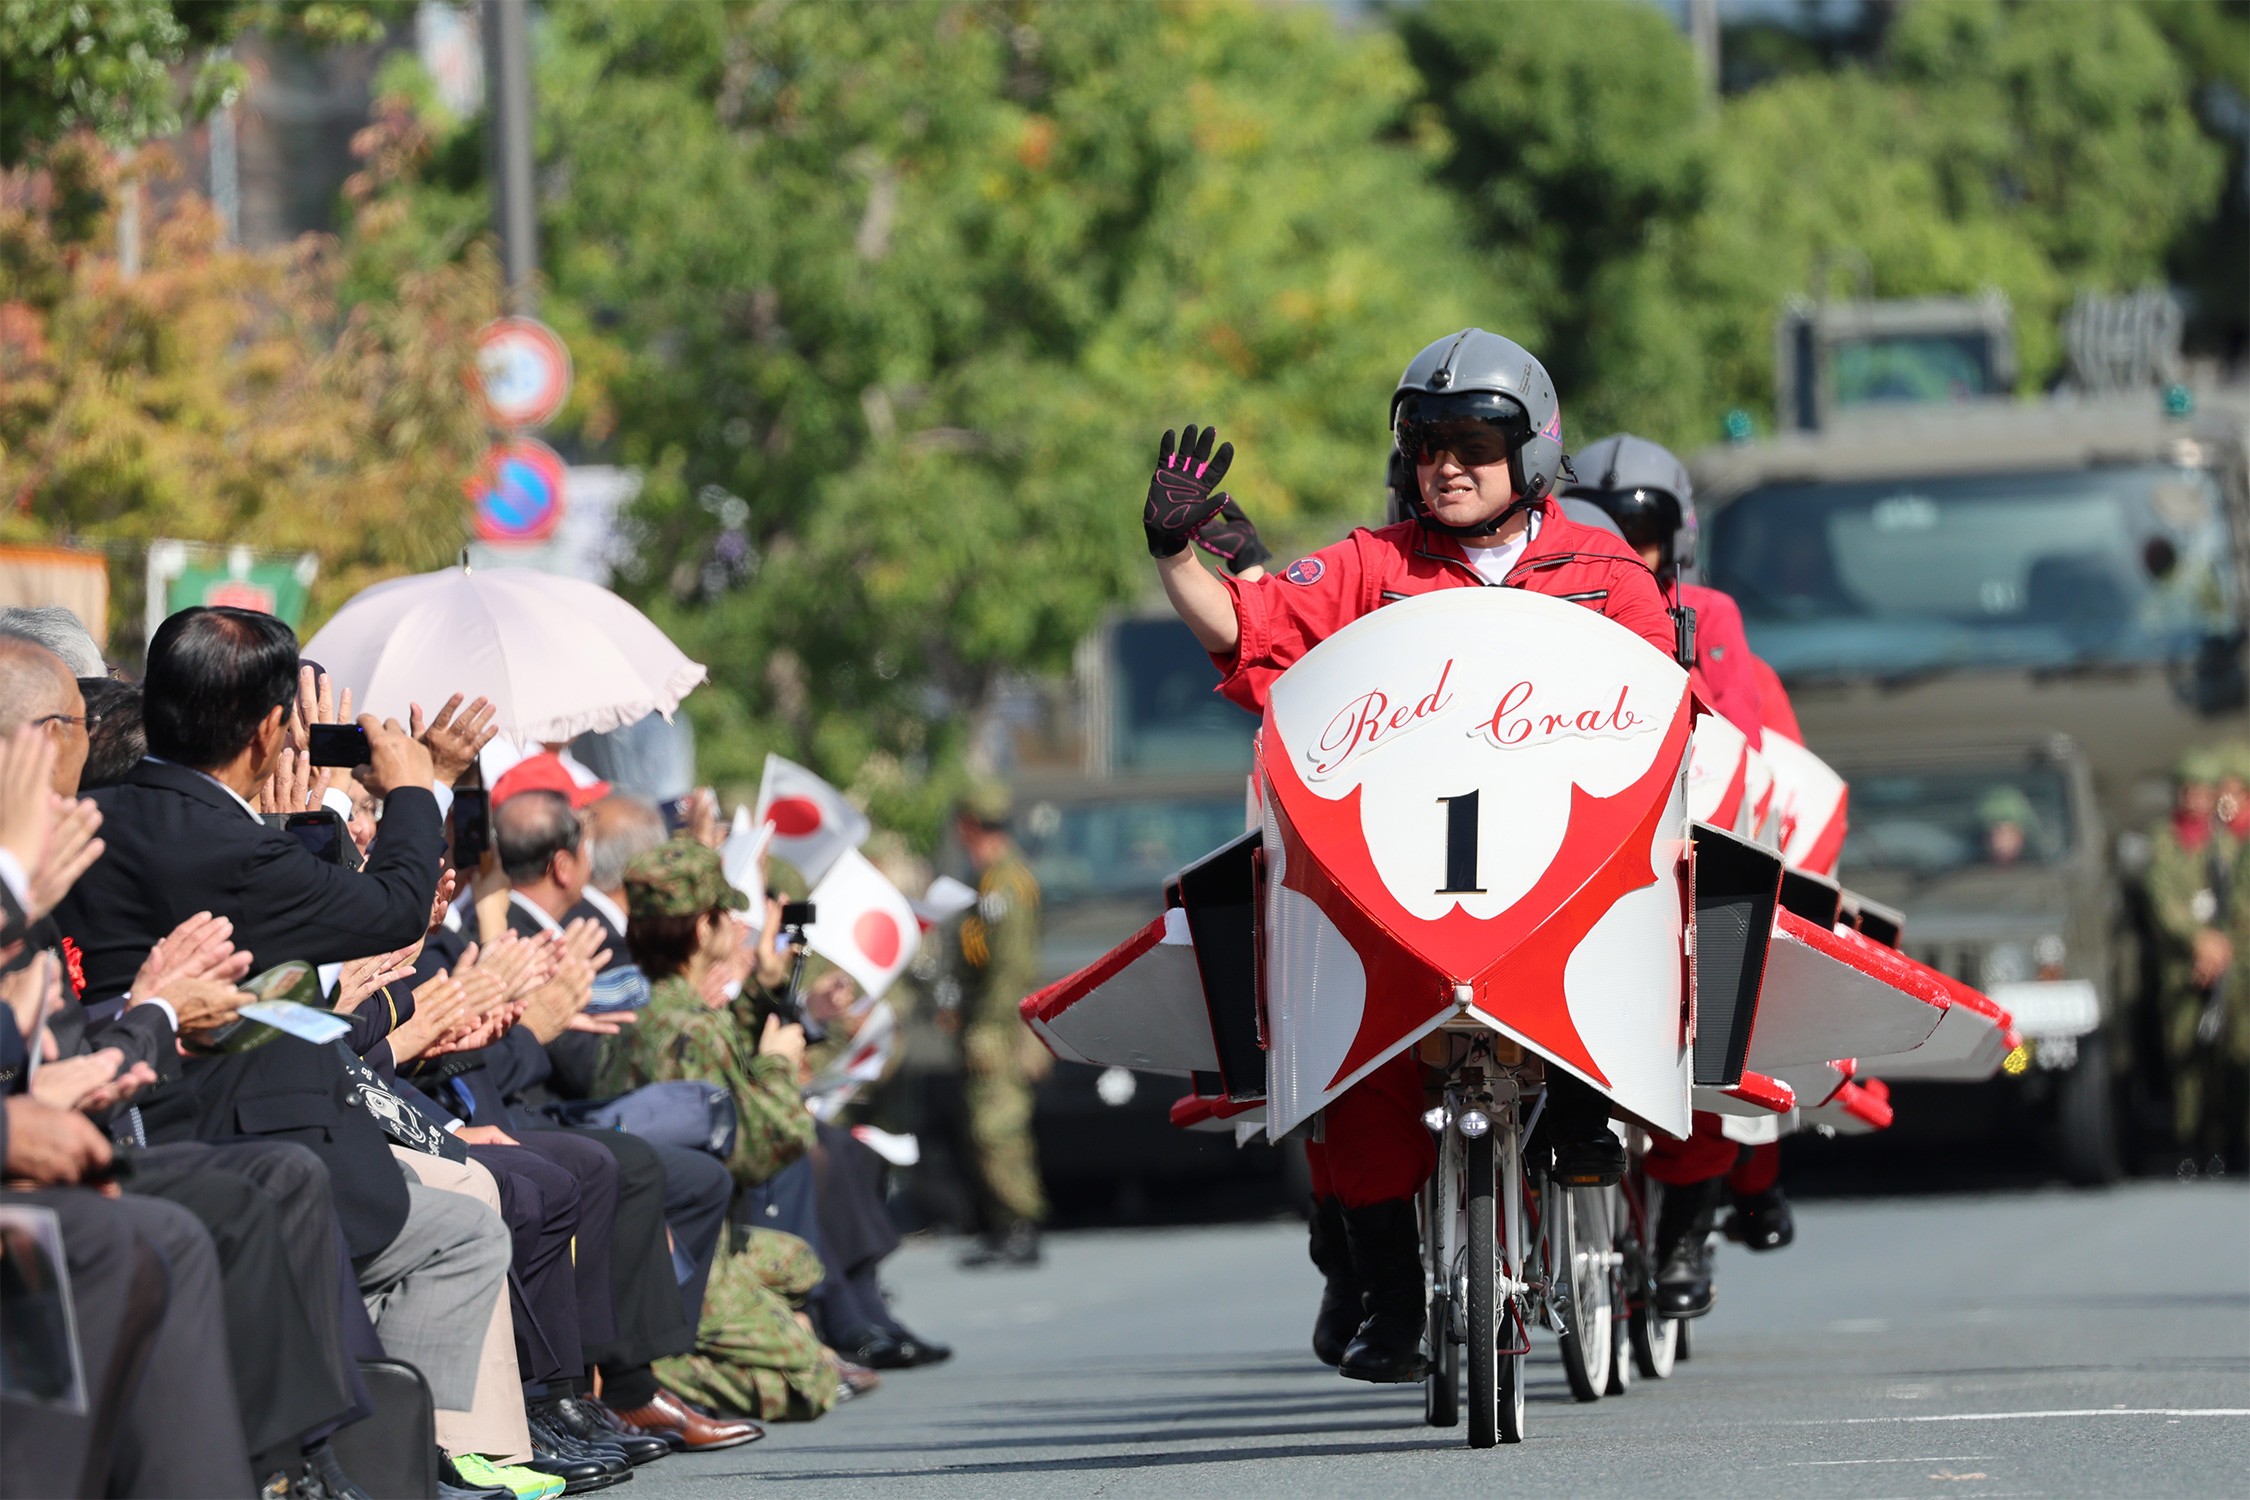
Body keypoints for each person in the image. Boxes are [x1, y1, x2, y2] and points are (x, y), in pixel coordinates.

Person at [1147, 328, 1676, 1384]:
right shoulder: (1368, 565)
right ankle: (1387, 1292)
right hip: (1405, 872)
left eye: (1476, 438)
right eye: (1429, 439)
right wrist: (1170, 556)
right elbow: (1250, 631)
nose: (1448, 462)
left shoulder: (1607, 572)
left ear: (1532, 449)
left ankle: (1585, 1097)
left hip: (1562, 869)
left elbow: (1659, 731)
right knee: (1359, 1045)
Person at [1561, 432, 1800, 1316]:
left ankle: (1686, 1229)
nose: (1625, 554)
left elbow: (1732, 742)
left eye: (1642, 535)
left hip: (1669, 843)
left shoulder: (1708, 614)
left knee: (1711, 1015)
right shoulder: (1544, 598)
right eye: (1602, 532)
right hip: (1561, 845)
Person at [597, 837, 838, 1423]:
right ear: (701, 931)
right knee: (813, 1378)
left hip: (668, 1236)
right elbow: (754, 1150)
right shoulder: (688, 1027)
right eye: (722, 914)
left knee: (799, 1265)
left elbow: (714, 1082)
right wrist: (780, 1065)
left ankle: (661, 1357)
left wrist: (760, 993)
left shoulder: (647, 1005)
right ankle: (644, 1376)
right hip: (684, 1253)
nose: (734, 923)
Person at [950, 781, 1048, 1270]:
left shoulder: (1006, 884)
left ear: (969, 825)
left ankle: (1019, 1224)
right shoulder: (988, 880)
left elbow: (1009, 968)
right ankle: (1003, 1224)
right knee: (987, 1126)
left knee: (999, 1126)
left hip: (1000, 1026)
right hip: (987, 1020)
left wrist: (991, 1030)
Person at [2147, 749, 2235, 1174]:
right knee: (2183, 1055)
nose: (2194, 798)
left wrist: (2221, 946)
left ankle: (2221, 1143)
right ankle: (2187, 1144)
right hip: (2182, 966)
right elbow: (2164, 904)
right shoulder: (2164, 844)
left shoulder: (2228, 846)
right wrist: (2198, 941)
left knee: (2224, 1059)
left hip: (2227, 965)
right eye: (2187, 790)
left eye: (2202, 790)